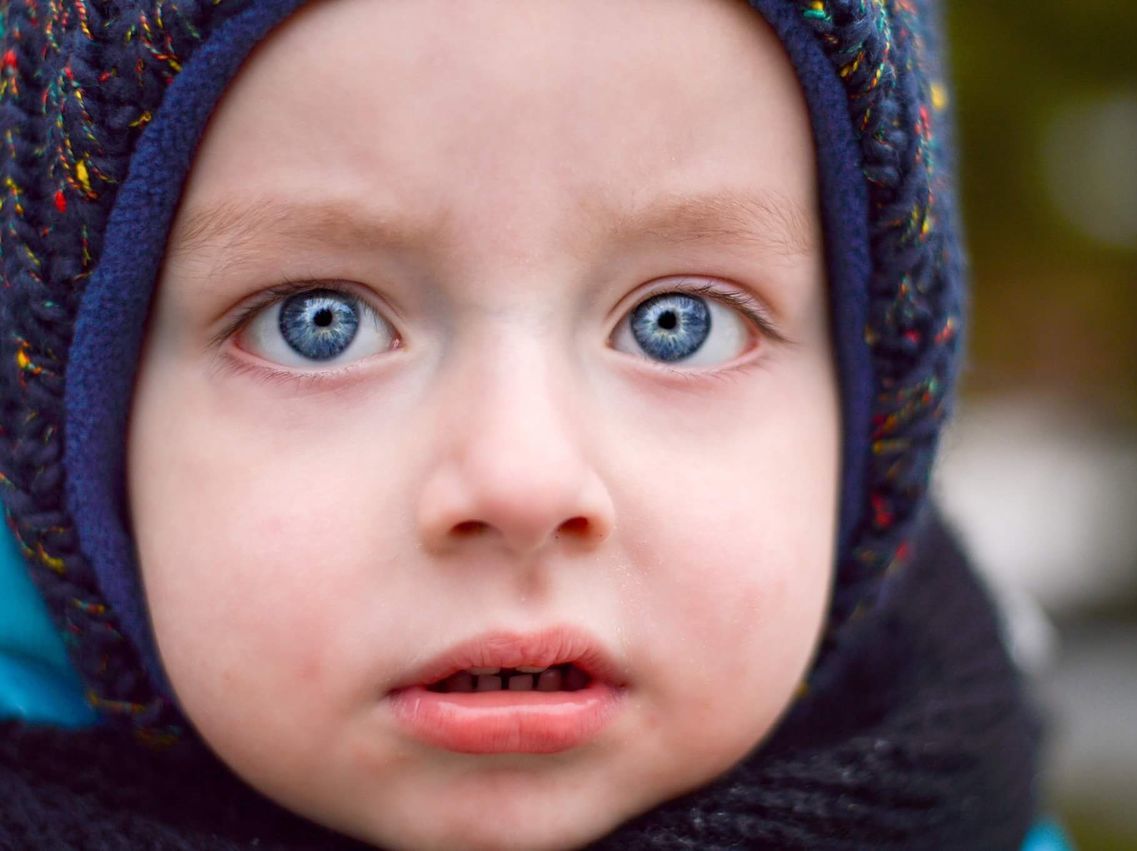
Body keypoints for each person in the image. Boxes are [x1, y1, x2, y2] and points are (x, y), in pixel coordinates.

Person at [0, 0, 1052, 848]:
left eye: (675, 324)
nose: (520, 481)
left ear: (873, 420)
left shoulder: (969, 798)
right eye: (318, 323)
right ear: (73, 431)